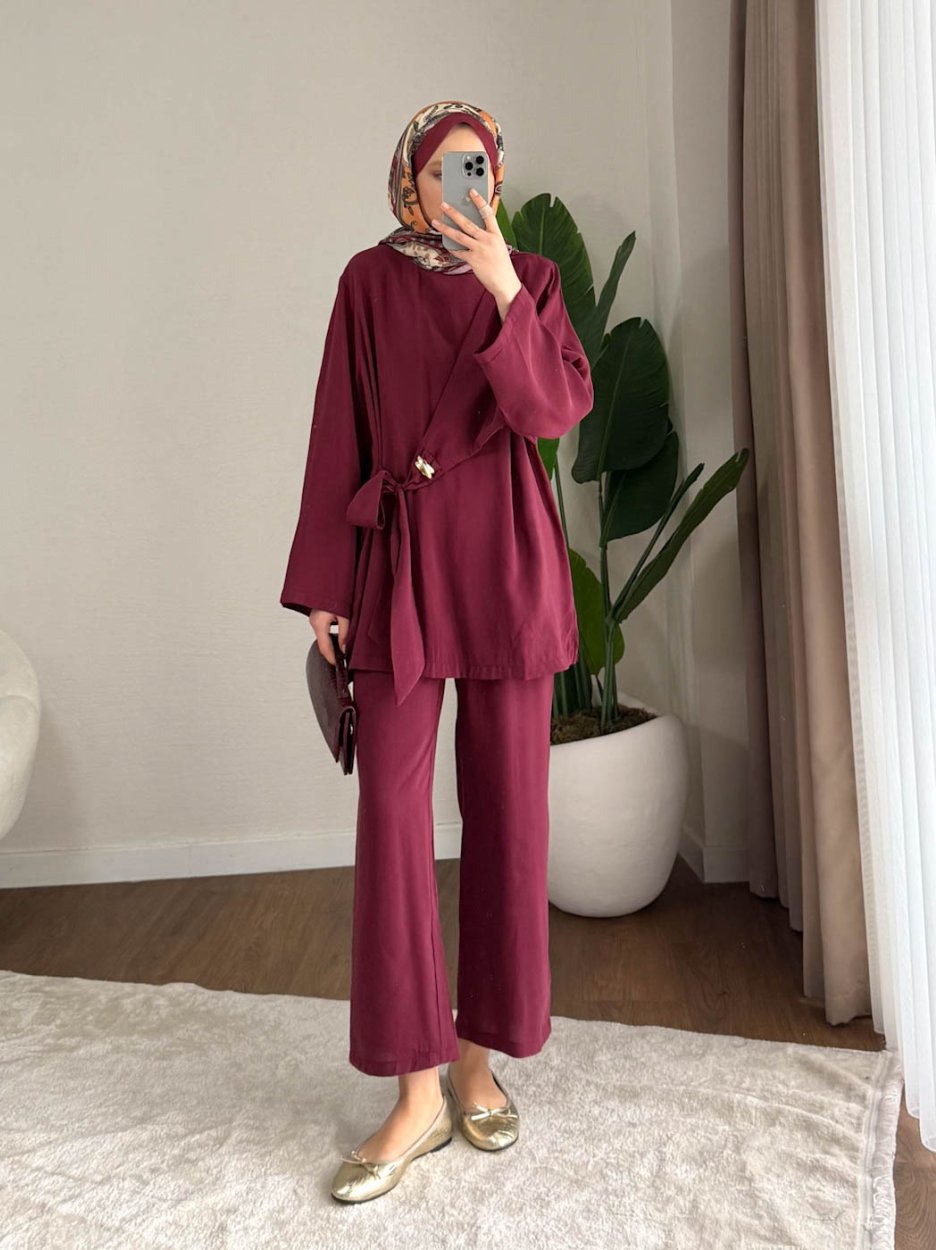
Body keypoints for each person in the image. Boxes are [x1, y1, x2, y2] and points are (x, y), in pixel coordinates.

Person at [279, 99, 594, 1202]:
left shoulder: (533, 279)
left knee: (509, 815)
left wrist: (504, 288)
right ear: (409, 183)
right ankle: (414, 1091)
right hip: (401, 568)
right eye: (447, 170)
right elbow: (338, 432)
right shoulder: (366, 283)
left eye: (483, 170)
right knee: (392, 817)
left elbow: (551, 412)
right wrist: (325, 585)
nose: (471, 188)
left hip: (506, 562)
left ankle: (476, 1062)